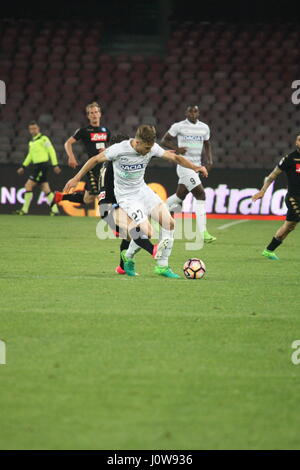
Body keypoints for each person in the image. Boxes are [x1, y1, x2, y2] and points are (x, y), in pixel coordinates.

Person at [64, 125, 208, 278]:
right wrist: (76, 178)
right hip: (127, 196)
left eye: (150, 148)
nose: (148, 152)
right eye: (146, 148)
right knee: (146, 232)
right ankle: (129, 256)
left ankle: (162, 266)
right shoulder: (119, 149)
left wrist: (195, 167)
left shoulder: (151, 148)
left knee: (170, 223)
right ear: (137, 142)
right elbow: (94, 160)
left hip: (143, 191)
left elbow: (175, 158)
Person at [161, 105, 216, 243]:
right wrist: (176, 149)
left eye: (195, 111)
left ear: (198, 113)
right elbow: (164, 140)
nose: (192, 113)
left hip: (196, 166)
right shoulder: (178, 126)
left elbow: (207, 143)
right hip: (184, 166)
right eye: (190, 111)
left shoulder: (204, 127)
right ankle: (203, 232)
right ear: (186, 112)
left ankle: (159, 210)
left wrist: (209, 161)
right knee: (201, 194)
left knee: (180, 196)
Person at [252, 134, 300, 260]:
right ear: (296, 142)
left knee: (290, 226)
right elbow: (272, 176)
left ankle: (269, 250)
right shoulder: (289, 159)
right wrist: (262, 191)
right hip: (294, 198)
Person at [53, 101, 111, 206]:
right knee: (97, 192)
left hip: (104, 166)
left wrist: (107, 150)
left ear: (100, 114)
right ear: (88, 116)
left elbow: (112, 146)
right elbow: (68, 143)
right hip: (92, 166)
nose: (94, 115)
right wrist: (71, 157)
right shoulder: (84, 131)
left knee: (88, 199)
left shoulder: (105, 130)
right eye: (91, 113)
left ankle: (61, 196)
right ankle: (110, 216)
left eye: (96, 112)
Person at [15, 121, 61, 215]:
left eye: (35, 128)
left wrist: (55, 164)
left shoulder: (44, 139)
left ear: (38, 129)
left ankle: (24, 210)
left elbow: (51, 151)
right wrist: (23, 166)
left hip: (42, 165)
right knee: (45, 187)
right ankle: (55, 210)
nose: (33, 130)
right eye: (31, 129)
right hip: (36, 166)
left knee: (28, 185)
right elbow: (30, 156)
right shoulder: (31, 142)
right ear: (29, 130)